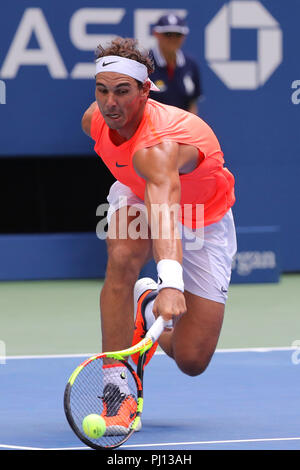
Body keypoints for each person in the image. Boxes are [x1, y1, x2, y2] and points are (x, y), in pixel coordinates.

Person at [81, 37, 236, 434]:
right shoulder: (94, 121)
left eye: (122, 91)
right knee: (122, 259)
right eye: (102, 90)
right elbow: (147, 191)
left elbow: (166, 206)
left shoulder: (161, 144)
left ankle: (147, 305)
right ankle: (117, 390)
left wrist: (170, 283)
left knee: (192, 359)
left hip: (202, 215)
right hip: (138, 190)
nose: (110, 103)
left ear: (146, 91)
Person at [149, 13, 203, 114]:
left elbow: (192, 103)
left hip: (182, 127)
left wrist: (191, 128)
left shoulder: (190, 64)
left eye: (178, 35)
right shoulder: (144, 63)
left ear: (184, 37)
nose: (173, 39)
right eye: (168, 34)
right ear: (156, 34)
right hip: (152, 127)